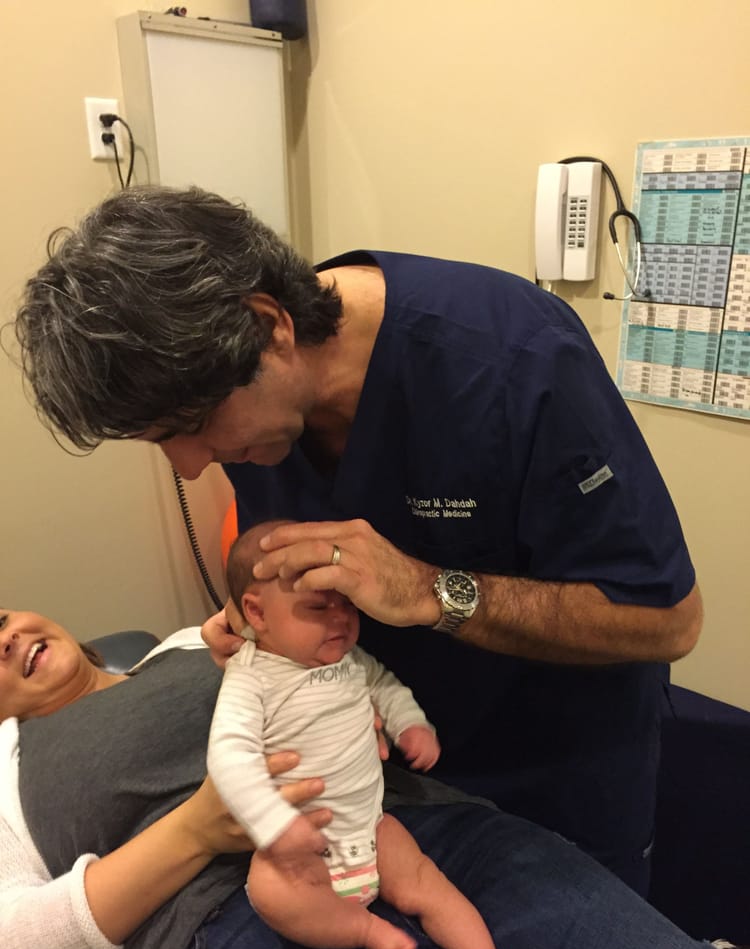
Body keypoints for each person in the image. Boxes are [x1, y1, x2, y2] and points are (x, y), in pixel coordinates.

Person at [13, 185, 704, 897]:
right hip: (386, 782)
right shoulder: (255, 410)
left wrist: (429, 592)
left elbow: (669, 620)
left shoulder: (512, 359)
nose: (189, 466)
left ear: (269, 328)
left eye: (190, 427)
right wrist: (259, 624)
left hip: (558, 774)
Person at [1, 605, 748, 949]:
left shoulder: (186, 644)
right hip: (222, 923)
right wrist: (196, 830)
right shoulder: (8, 770)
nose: (6, 640)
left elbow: (353, 668)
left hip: (408, 829)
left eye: (1, 619)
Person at [208, 521, 548, 949]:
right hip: (300, 848)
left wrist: (411, 725)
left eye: (347, 604)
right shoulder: (252, 678)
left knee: (429, 884)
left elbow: (385, 685)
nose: (339, 620)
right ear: (257, 613)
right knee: (271, 893)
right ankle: (365, 930)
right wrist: (274, 825)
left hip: (372, 826)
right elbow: (229, 754)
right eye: (318, 607)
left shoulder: (350, 660)